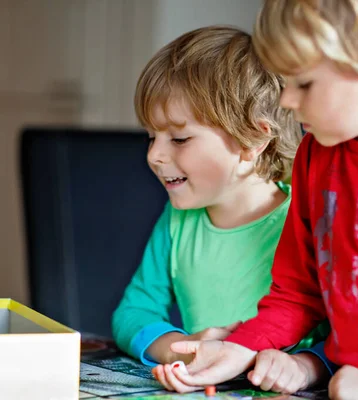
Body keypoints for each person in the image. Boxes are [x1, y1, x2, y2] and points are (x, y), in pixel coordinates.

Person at [159, 2, 358, 399]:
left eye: (303, 83)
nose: (286, 101)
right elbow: (298, 289)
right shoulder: (318, 152)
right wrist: (242, 347)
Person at [111, 25, 329, 390]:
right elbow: (133, 312)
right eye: (151, 136)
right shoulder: (178, 219)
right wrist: (177, 348)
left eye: (179, 138)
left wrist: (307, 364)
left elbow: (351, 332)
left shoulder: (306, 218)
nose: (154, 155)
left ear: (253, 140)